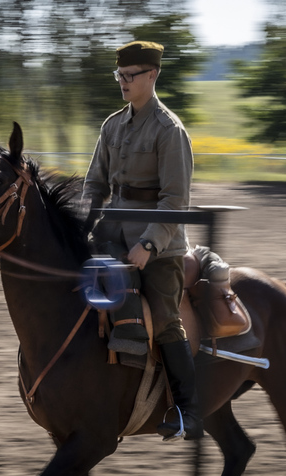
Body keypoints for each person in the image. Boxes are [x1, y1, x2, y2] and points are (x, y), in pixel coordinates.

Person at [83, 41, 201, 441]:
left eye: (129, 75)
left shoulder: (170, 131)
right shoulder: (111, 125)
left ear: (152, 75)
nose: (122, 82)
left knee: (166, 320)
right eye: (119, 75)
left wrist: (149, 245)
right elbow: (94, 184)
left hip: (160, 246)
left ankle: (188, 410)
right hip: (110, 234)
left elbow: (175, 200)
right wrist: (82, 223)